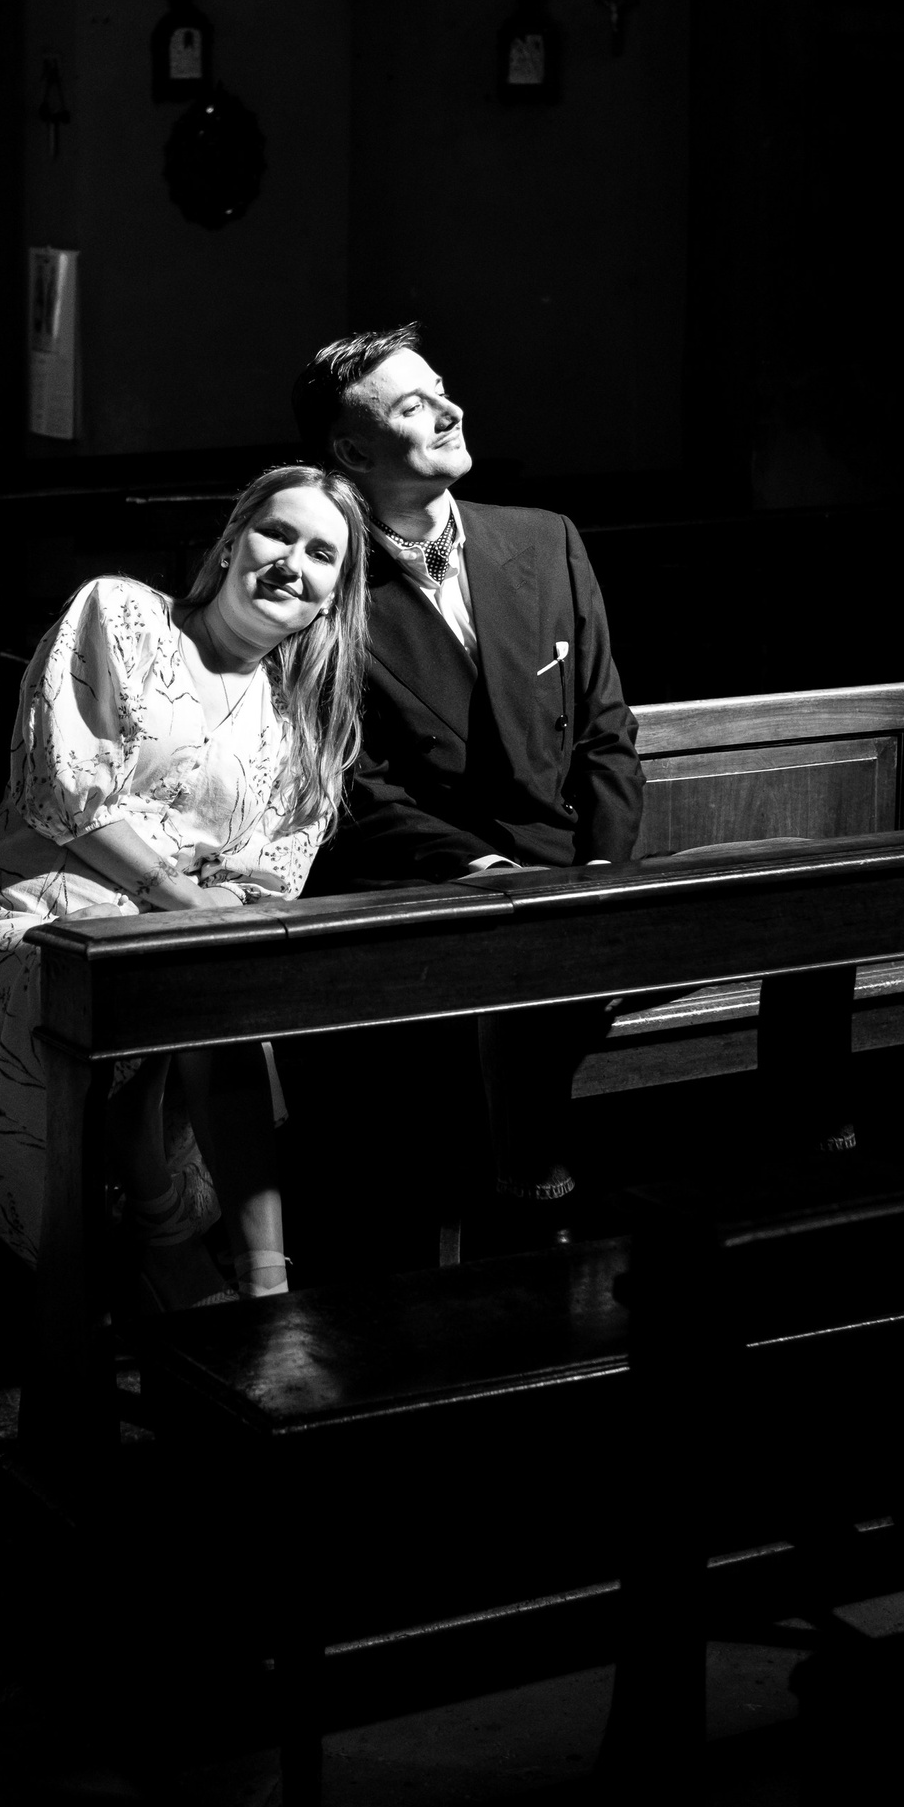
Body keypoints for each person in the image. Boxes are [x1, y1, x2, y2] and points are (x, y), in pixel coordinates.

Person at [0, 465, 368, 1309]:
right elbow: (65, 790)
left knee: (197, 978)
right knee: (135, 975)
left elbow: (273, 878)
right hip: (23, 928)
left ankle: (265, 1288)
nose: (291, 562)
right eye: (277, 533)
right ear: (231, 541)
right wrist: (182, 897)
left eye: (322, 555)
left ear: (331, 601)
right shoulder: (122, 615)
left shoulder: (302, 723)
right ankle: (163, 1243)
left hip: (176, 953)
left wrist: (200, 914)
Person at [292, 324, 643, 1232]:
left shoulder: (544, 539)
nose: (451, 410)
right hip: (438, 894)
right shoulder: (324, 578)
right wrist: (485, 873)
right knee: (516, 976)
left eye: (442, 388)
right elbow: (355, 787)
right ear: (352, 452)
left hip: (583, 877)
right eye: (415, 406)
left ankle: (832, 1178)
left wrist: (604, 875)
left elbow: (606, 734)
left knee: (800, 899)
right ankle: (531, 1232)